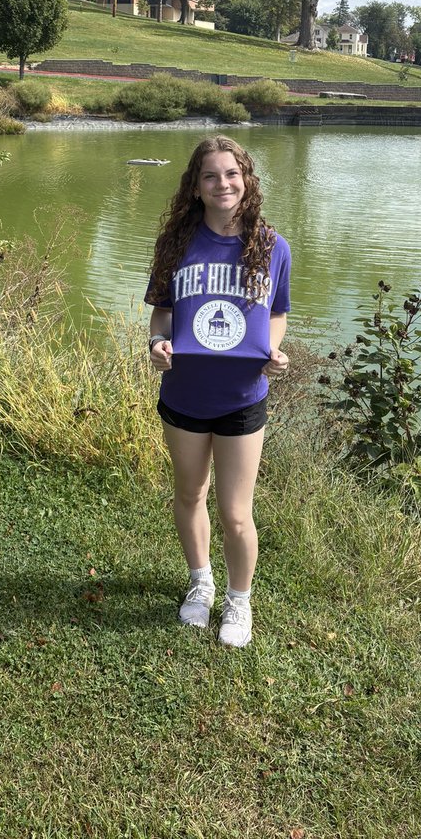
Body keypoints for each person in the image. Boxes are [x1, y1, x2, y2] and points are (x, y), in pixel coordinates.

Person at [145, 136, 291, 648]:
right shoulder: (175, 245)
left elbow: (276, 314)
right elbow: (162, 313)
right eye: (210, 176)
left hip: (242, 397)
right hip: (183, 394)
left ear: (246, 180)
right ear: (196, 187)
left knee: (235, 512)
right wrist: (158, 342)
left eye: (232, 173)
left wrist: (272, 351)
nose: (222, 183)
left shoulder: (272, 246)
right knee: (189, 494)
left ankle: (239, 600)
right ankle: (201, 582)